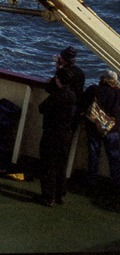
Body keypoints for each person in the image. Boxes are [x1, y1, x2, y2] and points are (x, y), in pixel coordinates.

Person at [37, 67, 78, 205]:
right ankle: (60, 195)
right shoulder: (72, 96)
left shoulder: (55, 96)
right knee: (61, 165)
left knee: (48, 165)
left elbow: (41, 108)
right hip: (65, 134)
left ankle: (49, 197)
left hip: (52, 133)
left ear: (58, 80)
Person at [82, 70, 120, 190]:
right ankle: (116, 183)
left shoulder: (93, 89)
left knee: (94, 154)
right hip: (112, 129)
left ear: (102, 78)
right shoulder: (118, 93)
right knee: (114, 156)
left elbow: (83, 103)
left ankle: (92, 181)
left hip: (94, 126)